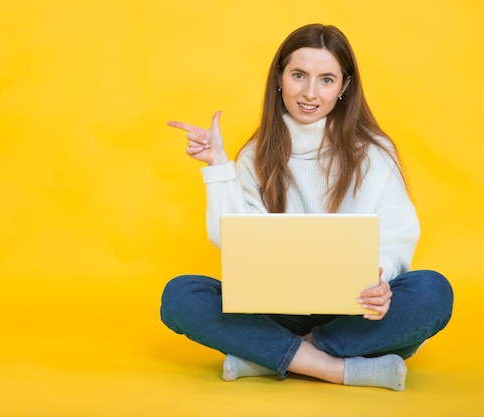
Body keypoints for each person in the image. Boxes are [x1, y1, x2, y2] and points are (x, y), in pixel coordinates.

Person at [159, 24, 453, 391]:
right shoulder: (255, 156)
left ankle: (271, 356)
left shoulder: (375, 152)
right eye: (299, 75)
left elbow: (397, 233)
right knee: (179, 296)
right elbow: (230, 239)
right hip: (279, 311)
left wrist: (380, 279)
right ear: (280, 78)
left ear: (344, 86)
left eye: (326, 79)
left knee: (433, 292)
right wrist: (219, 167)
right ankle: (338, 369)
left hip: (354, 310)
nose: (310, 93)